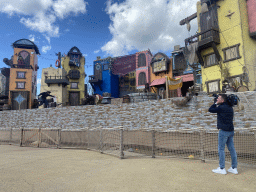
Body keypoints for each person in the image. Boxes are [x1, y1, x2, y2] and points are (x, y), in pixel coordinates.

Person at [208, 94, 238, 175]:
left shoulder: (221, 107)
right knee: (232, 149)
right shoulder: (230, 107)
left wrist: (215, 103)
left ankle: (222, 168)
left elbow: (210, 109)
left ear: (223, 100)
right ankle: (234, 168)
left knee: (221, 149)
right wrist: (218, 102)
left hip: (223, 131)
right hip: (231, 131)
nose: (217, 98)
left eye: (219, 98)